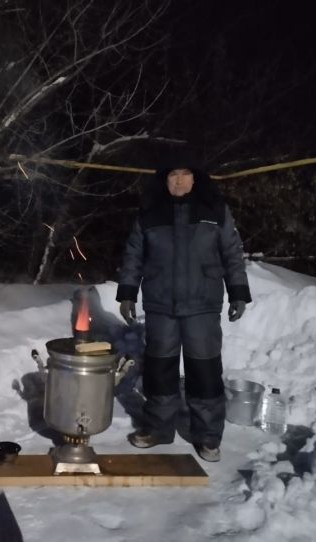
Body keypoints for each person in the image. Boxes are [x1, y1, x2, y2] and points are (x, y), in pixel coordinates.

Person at [116, 148, 251, 462]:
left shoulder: (214, 209)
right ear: (164, 180)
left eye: (184, 174)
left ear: (196, 177)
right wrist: (126, 293)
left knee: (204, 372)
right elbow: (133, 255)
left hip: (202, 304)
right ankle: (158, 429)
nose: (178, 181)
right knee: (160, 370)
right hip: (161, 303)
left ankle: (207, 435)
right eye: (172, 175)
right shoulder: (150, 212)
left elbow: (232, 253)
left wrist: (239, 293)